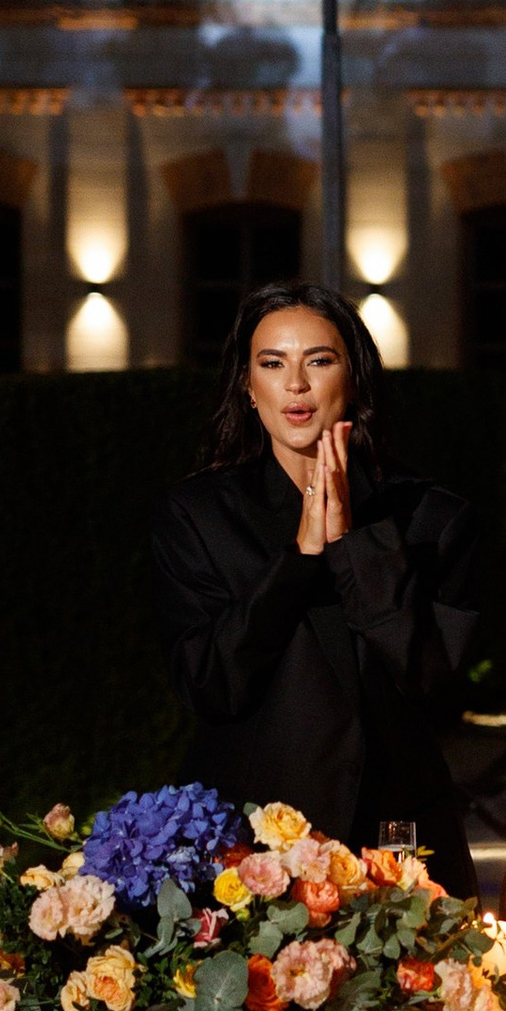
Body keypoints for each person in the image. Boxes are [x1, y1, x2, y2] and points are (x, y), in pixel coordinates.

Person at [152, 284, 479, 894]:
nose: (295, 385)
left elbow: (429, 676)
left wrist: (355, 541)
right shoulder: (198, 515)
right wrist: (299, 557)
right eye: (272, 364)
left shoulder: (432, 519)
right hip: (248, 853)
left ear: (353, 377)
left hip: (397, 839)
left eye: (319, 361)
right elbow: (209, 683)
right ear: (248, 388)